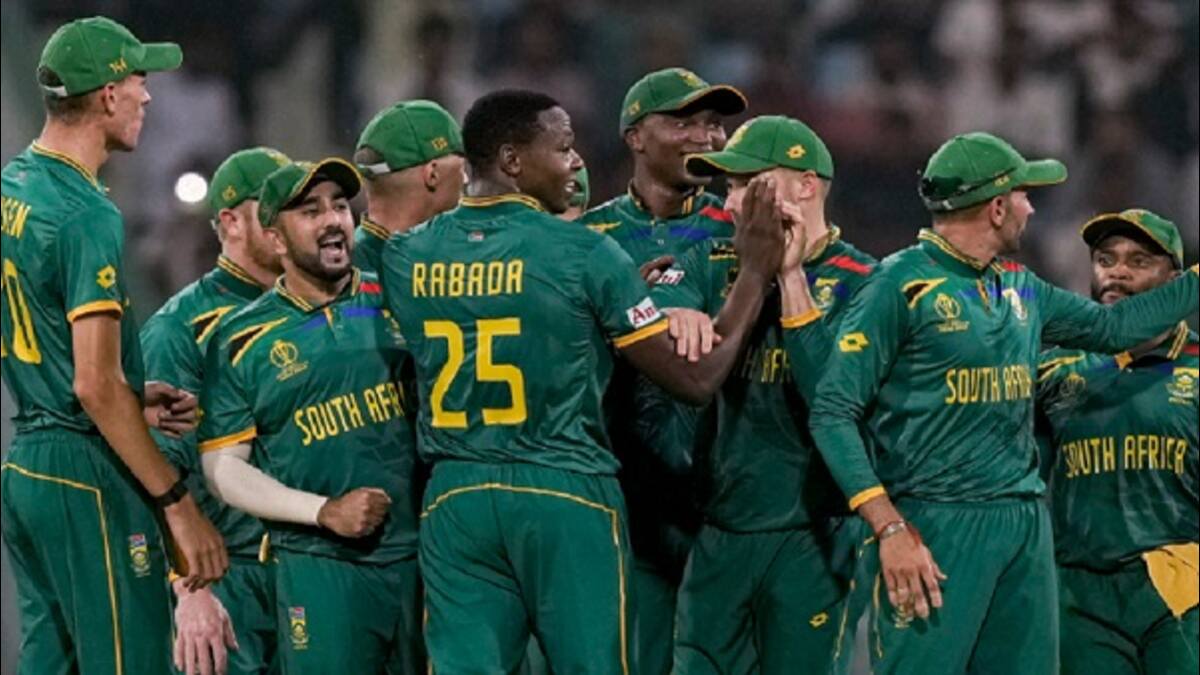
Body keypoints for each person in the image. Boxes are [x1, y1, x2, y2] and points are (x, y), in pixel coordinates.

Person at [380, 89, 784, 675]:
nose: (576, 162)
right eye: (564, 147)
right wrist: (753, 274)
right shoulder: (587, 252)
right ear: (513, 160)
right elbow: (695, 378)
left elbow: (502, 308)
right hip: (563, 490)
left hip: (455, 497)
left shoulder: (405, 256)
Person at [809, 131, 1200, 675]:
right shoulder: (898, 284)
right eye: (1023, 195)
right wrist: (888, 527)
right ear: (997, 208)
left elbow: (1114, 329)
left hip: (1024, 526)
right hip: (935, 524)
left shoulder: (1022, 286)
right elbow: (832, 412)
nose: (1031, 208)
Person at [0, 16, 227, 675]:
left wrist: (128, 394)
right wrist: (177, 504)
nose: (148, 95)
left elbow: (59, 348)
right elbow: (93, 385)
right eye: (138, 80)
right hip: (85, 471)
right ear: (106, 95)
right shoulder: (86, 212)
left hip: (28, 465)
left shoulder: (14, 187)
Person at [654, 115, 876, 673]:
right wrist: (672, 312)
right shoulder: (709, 261)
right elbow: (655, 322)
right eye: (728, 186)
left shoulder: (866, 283)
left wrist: (792, 277)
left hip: (813, 538)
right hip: (718, 533)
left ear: (805, 186)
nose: (730, 203)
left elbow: (833, 401)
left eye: (747, 185)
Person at [199, 159, 424, 674]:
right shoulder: (240, 338)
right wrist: (324, 511)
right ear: (275, 238)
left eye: (340, 206)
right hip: (320, 567)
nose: (333, 221)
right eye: (311, 211)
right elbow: (222, 469)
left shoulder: (401, 297)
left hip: (423, 556)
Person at [575, 66, 747, 675]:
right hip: (626, 502)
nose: (705, 136)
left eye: (713, 123)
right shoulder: (589, 238)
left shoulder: (743, 230)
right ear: (634, 136)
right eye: (683, 121)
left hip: (728, 500)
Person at [140, 147, 290, 674]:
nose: (287, 221)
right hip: (231, 578)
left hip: (308, 569)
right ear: (230, 222)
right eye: (270, 209)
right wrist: (191, 589)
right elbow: (156, 468)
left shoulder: (315, 309)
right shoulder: (180, 329)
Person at [1036, 209, 1198, 675]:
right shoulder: (1056, 369)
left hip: (1181, 592)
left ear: (1176, 281)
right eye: (1105, 259)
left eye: (1139, 261)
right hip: (1081, 599)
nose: (1117, 272)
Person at [353, 99, 465, 274]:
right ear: (432, 175)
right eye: (462, 169)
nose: (465, 180)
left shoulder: (338, 266)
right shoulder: (455, 265)